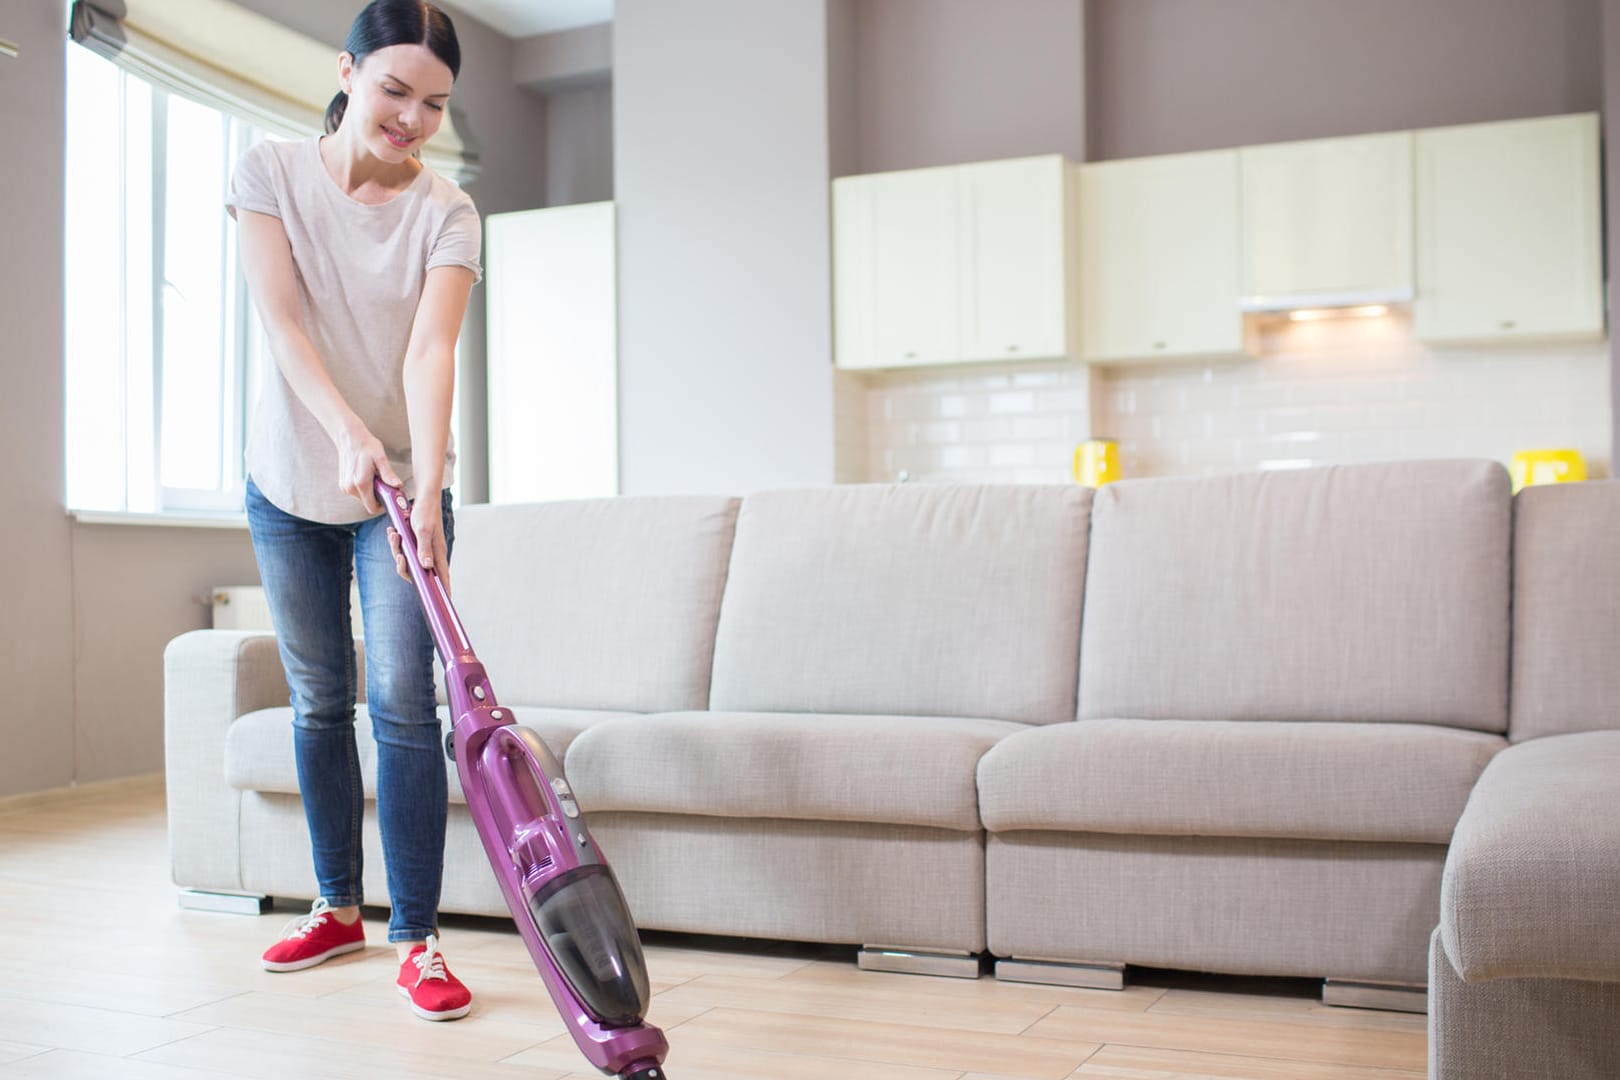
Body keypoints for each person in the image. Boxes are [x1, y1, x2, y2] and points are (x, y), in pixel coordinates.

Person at [226, 0, 480, 1022]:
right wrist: (345, 433)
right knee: (318, 701)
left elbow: (431, 351)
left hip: (397, 492)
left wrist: (423, 483)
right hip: (289, 478)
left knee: (404, 707)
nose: (412, 118)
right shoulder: (268, 173)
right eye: (394, 90)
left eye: (434, 104)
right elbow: (284, 326)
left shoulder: (449, 212)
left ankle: (416, 938)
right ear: (348, 70)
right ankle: (336, 907)